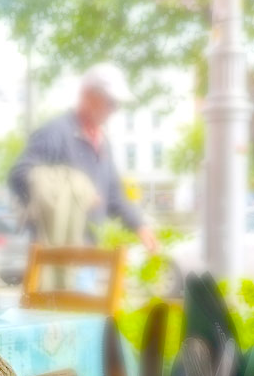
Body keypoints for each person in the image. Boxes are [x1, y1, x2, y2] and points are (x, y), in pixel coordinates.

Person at [9, 63, 158, 252]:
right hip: (56, 255)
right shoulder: (55, 132)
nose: (115, 109)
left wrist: (139, 226)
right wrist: (77, 190)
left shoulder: (104, 143)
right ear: (87, 95)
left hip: (91, 254)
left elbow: (114, 195)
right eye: (111, 102)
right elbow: (19, 176)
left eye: (117, 104)